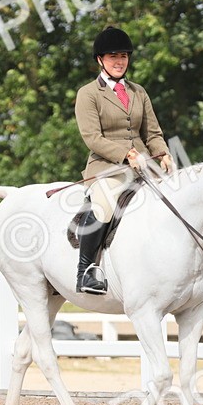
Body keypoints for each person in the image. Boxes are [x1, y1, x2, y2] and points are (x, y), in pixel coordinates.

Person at [74, 25, 174, 294]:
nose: (119, 62)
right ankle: (85, 271)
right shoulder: (88, 94)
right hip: (107, 167)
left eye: (124, 56)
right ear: (100, 60)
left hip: (144, 165)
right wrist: (124, 154)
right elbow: (92, 137)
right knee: (105, 204)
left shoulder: (138, 92)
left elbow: (152, 131)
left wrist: (163, 152)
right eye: (112, 56)